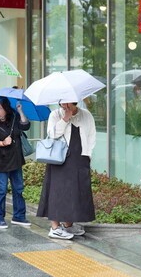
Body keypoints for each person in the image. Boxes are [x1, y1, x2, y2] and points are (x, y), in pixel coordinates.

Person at [37, 101, 97, 240]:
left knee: (76, 190)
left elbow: (91, 135)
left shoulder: (86, 115)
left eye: (67, 102)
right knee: (57, 191)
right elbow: (52, 135)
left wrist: (88, 154)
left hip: (80, 157)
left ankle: (68, 225)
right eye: (62, 102)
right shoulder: (55, 114)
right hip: (59, 157)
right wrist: (65, 119)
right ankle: (55, 227)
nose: (64, 105)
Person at [0, 97, 31, 229]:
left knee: (18, 188)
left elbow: (26, 126)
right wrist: (1, 143)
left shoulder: (14, 118)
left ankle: (19, 216)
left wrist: (20, 112)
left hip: (15, 158)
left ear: (6, 109)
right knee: (1, 189)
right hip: (0, 160)